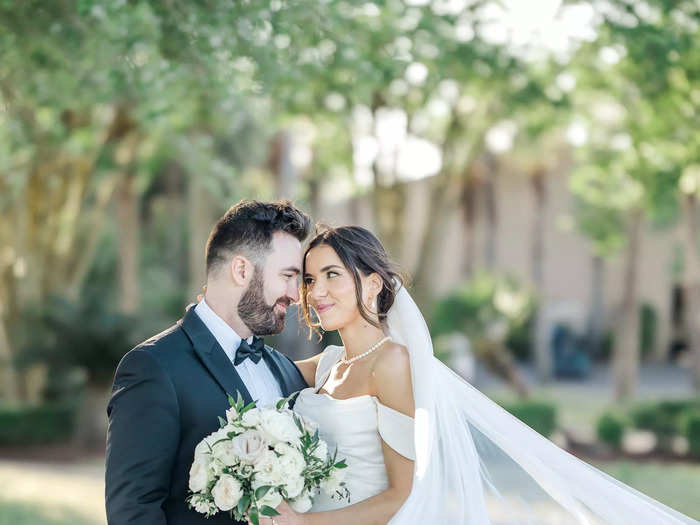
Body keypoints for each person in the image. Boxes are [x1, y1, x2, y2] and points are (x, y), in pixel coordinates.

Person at [265, 225, 698, 525]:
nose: (315, 291)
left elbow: (402, 496)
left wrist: (306, 523)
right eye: (308, 279)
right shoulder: (326, 365)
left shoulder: (393, 364)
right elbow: (256, 368)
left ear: (375, 284)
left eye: (331, 275)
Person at [105, 200, 312, 525]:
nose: (295, 294)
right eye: (288, 276)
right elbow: (133, 512)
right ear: (242, 270)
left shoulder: (287, 372)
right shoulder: (153, 368)